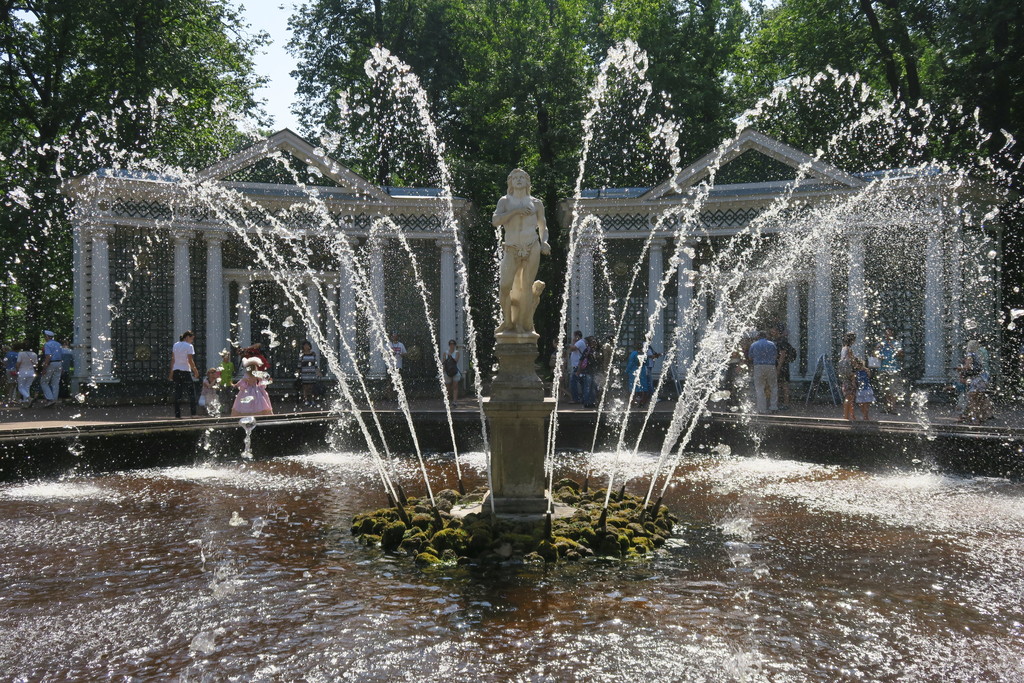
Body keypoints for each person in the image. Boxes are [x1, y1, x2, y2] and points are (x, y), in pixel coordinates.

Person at [492, 168, 551, 335]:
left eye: (522, 177)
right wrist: (515, 211)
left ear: (527, 182)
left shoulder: (536, 203)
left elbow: (543, 226)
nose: (518, 180)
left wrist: (544, 242)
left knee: (526, 287)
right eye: (515, 178)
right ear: (510, 182)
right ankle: (508, 321)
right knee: (504, 287)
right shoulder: (504, 201)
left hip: (532, 245)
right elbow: (495, 221)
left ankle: (523, 325)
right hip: (511, 247)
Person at [959, 340, 993, 423]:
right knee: (980, 399)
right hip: (983, 378)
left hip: (976, 379)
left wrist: (960, 368)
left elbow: (968, 366)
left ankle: (975, 419)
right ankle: (982, 417)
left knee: (972, 399)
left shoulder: (970, 354)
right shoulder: (978, 354)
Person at [168, 331, 199, 418]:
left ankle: (177, 415)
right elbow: (190, 360)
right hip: (185, 371)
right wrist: (195, 371)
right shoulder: (189, 346)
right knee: (191, 393)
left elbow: (173, 359)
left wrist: (171, 372)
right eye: (191, 338)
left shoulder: (175, 345)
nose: (192, 341)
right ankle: (193, 413)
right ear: (187, 337)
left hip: (176, 371)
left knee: (178, 393)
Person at [747, 330, 779, 414]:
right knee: (773, 386)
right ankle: (773, 407)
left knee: (759, 388)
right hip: (771, 366)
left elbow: (750, 357)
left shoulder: (754, 345)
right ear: (766, 336)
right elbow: (775, 356)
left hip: (758, 366)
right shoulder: (772, 344)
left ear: (758, 336)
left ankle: (762, 409)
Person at [875, 328, 905, 413]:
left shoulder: (896, 343)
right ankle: (887, 407)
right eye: (886, 333)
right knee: (885, 389)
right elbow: (875, 353)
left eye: (889, 333)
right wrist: (877, 352)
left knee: (893, 389)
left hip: (893, 369)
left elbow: (901, 354)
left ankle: (893, 407)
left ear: (892, 334)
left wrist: (894, 348)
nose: (887, 335)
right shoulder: (882, 343)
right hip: (882, 368)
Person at [772, 328, 796, 411]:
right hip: (783, 365)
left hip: (782, 366)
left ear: (778, 331)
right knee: (780, 384)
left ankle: (785, 404)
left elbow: (782, 354)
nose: (772, 331)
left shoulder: (781, 341)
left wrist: (778, 367)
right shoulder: (780, 341)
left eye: (774, 330)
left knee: (783, 385)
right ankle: (782, 403)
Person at [38, 330, 62, 407]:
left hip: (51, 363)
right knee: (55, 382)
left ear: (47, 337)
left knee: (44, 381)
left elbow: (48, 356)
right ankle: (54, 399)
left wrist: (45, 367)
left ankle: (50, 398)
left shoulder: (47, 345)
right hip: (59, 363)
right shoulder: (58, 344)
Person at [838, 332, 857, 421]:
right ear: (852, 340)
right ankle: (847, 416)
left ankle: (851, 415)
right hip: (849, 374)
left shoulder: (843, 349)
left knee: (849, 395)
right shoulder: (849, 350)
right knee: (849, 396)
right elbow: (852, 361)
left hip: (844, 374)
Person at [15, 341, 38, 407]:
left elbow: (18, 363)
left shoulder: (21, 354)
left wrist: (17, 370)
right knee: (27, 387)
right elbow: (36, 365)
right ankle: (26, 402)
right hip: (31, 372)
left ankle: (28, 398)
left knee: (21, 387)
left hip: (22, 372)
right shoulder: (34, 354)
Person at [298, 340, 320, 407]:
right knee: (305, 387)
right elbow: (299, 364)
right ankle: (306, 400)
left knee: (311, 387)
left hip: (311, 373)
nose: (306, 347)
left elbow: (315, 363)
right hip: (304, 373)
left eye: (307, 345)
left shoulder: (313, 354)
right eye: (305, 345)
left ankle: (312, 400)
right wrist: (298, 372)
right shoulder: (302, 354)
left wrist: (318, 371)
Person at [567, 331, 586, 403]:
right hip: (578, 366)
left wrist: (572, 342)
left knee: (573, 382)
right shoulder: (581, 342)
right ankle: (584, 398)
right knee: (582, 382)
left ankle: (575, 399)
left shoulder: (580, 342)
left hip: (578, 366)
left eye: (574, 336)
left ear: (577, 336)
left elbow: (572, 348)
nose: (573, 338)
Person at [442, 339, 461, 405]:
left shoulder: (457, 352)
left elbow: (456, 361)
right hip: (447, 371)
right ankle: (447, 400)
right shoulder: (445, 353)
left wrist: (451, 357)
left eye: (453, 344)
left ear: (455, 345)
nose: (451, 345)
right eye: (450, 344)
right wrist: (443, 371)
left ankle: (455, 401)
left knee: (455, 386)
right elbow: (444, 362)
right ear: (449, 345)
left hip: (455, 371)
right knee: (448, 387)